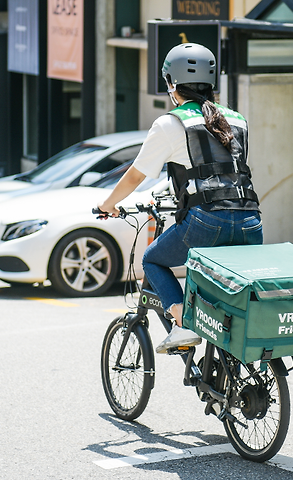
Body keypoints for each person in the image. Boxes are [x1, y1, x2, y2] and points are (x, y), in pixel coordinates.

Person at [98, 43, 262, 354]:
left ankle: (182, 324)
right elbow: (221, 174)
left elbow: (136, 174)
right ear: (211, 82)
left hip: (207, 221)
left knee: (152, 259)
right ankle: (230, 374)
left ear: (172, 84)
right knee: (223, 288)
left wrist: (108, 205)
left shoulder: (171, 123)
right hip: (251, 220)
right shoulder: (237, 119)